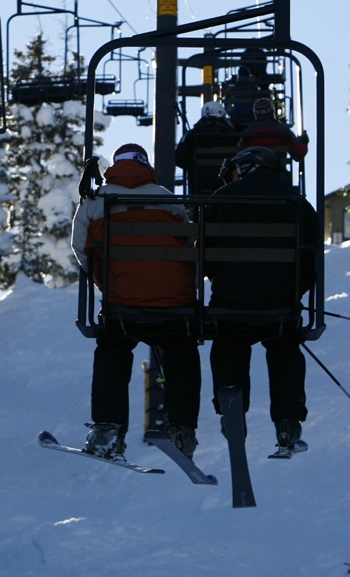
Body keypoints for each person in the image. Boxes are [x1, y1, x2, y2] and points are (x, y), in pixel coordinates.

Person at [71, 143, 202, 461]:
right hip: (175, 305)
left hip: (123, 304)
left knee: (112, 352)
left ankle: (108, 429)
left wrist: (110, 284)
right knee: (180, 353)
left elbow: (81, 249)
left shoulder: (95, 198)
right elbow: (188, 248)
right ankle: (182, 428)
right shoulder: (167, 197)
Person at [203, 146, 319, 457]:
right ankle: (287, 423)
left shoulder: (222, 199)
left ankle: (232, 412)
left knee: (229, 343)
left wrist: (223, 281)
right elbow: (311, 261)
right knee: (284, 347)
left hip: (231, 304)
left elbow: (203, 258)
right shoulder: (298, 204)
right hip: (279, 307)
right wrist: (293, 294)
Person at [174, 101, 240, 195]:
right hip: (228, 186)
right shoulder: (234, 135)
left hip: (199, 188)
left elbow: (179, 159)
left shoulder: (192, 136)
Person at [240, 97, 309, 163]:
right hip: (276, 169)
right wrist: (304, 142)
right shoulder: (282, 130)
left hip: (253, 170)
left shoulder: (248, 132)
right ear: (272, 111)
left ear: (255, 113)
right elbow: (299, 153)